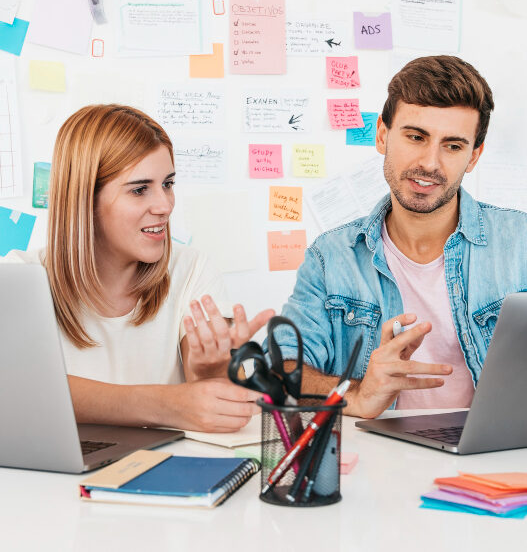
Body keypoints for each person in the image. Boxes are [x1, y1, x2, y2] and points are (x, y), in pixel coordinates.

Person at [272, 55, 527, 418]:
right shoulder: (330, 258)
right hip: (380, 465)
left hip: (495, 464)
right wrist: (360, 393)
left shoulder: (521, 243)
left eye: (453, 146)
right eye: (416, 137)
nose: (430, 163)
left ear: (473, 157)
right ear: (382, 135)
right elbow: (283, 371)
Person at [2, 104, 274, 432]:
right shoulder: (20, 278)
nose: (164, 205)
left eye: (168, 184)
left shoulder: (191, 269)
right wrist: (165, 404)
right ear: (85, 198)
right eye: (140, 189)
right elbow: (19, 391)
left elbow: (220, 408)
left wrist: (212, 371)